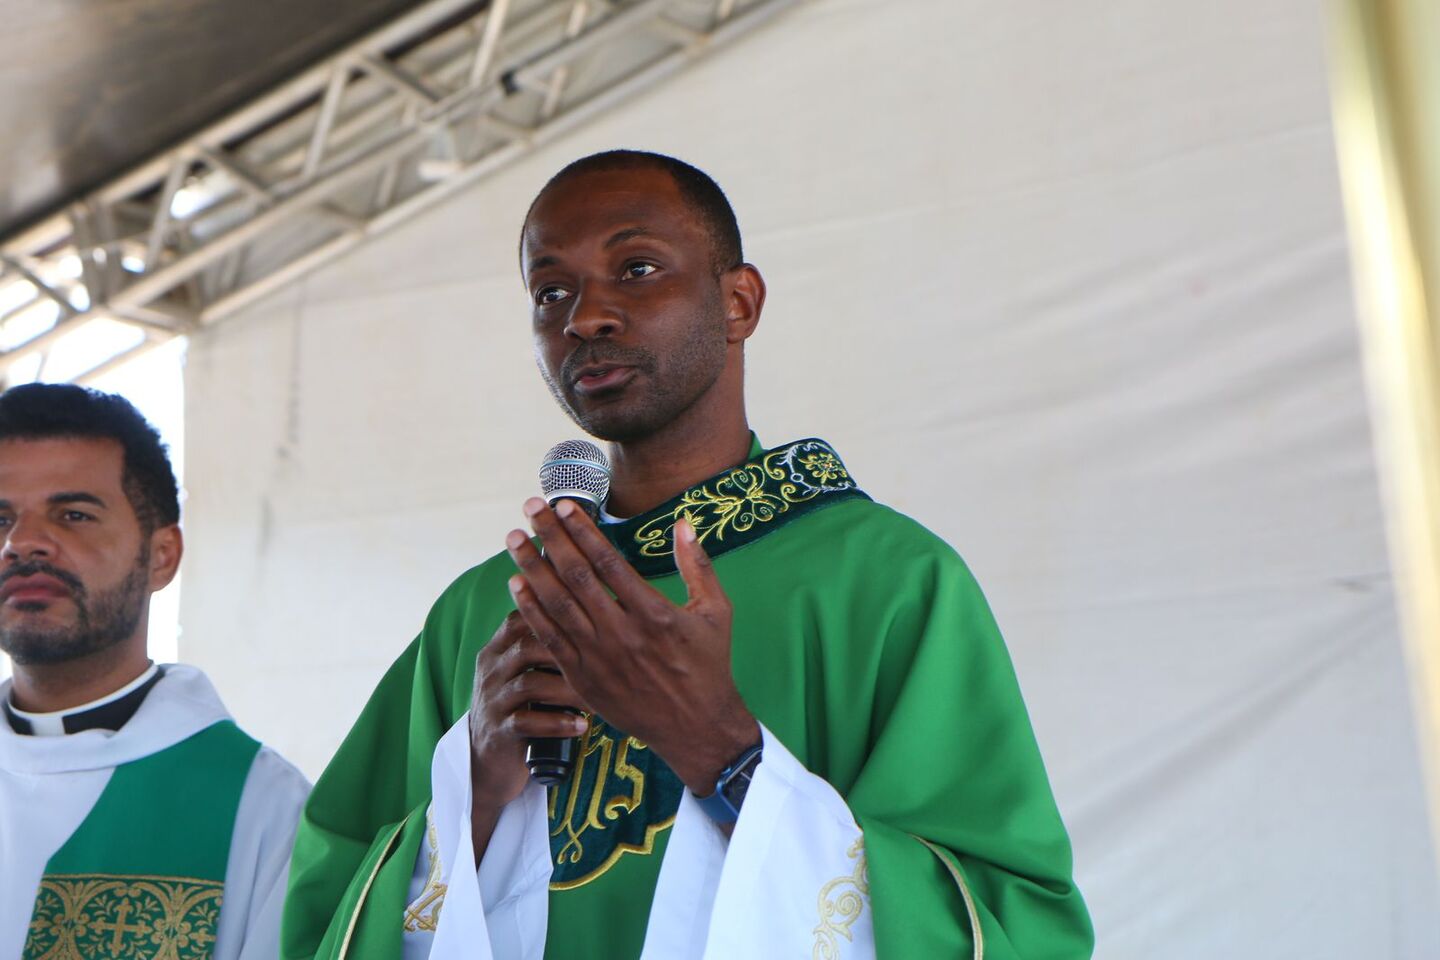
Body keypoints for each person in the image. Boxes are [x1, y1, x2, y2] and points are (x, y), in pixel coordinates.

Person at [283, 150, 1093, 959]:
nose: (585, 318)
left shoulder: (887, 582)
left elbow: (1014, 925)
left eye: (636, 269)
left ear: (739, 302)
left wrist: (727, 755)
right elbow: (325, 905)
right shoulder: (482, 610)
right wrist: (477, 787)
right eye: (551, 292)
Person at [0, 383, 309, 960]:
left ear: (161, 555)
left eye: (72, 514)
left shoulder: (263, 804)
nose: (23, 543)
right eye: (2, 517)